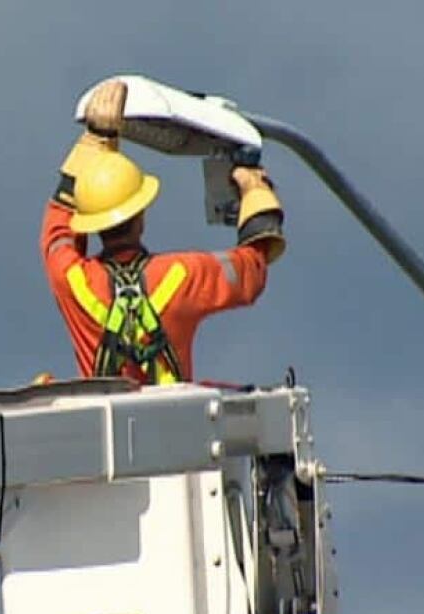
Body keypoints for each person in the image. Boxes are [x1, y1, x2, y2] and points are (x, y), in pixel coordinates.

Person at [40, 79, 286, 385]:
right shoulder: (182, 275)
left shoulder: (72, 280)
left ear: (90, 222)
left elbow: (57, 229)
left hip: (104, 429)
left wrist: (95, 140)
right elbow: (251, 270)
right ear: (141, 213)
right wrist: (255, 189)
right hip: (175, 427)